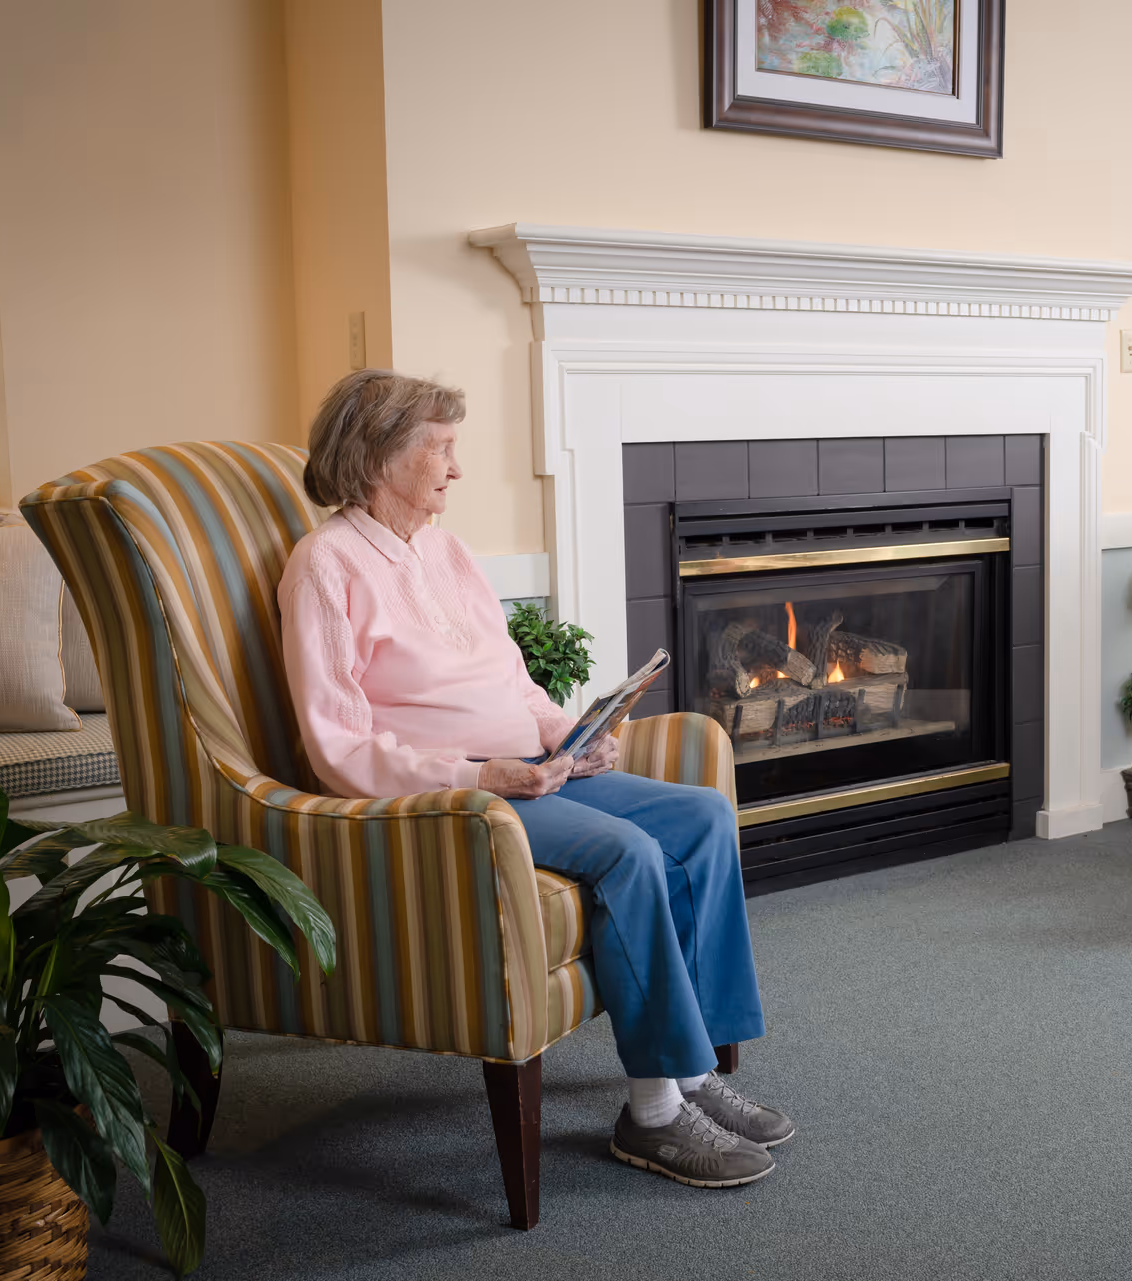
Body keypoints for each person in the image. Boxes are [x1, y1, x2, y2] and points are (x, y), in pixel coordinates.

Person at [277, 369, 793, 1187]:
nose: (455, 468)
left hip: (532, 772)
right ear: (377, 456)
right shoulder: (324, 566)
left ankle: (697, 1073)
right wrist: (486, 771)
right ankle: (652, 1113)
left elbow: (511, 679)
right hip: (455, 797)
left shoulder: (448, 552)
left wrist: (569, 736)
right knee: (628, 851)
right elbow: (338, 745)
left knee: (699, 815)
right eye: (439, 449)